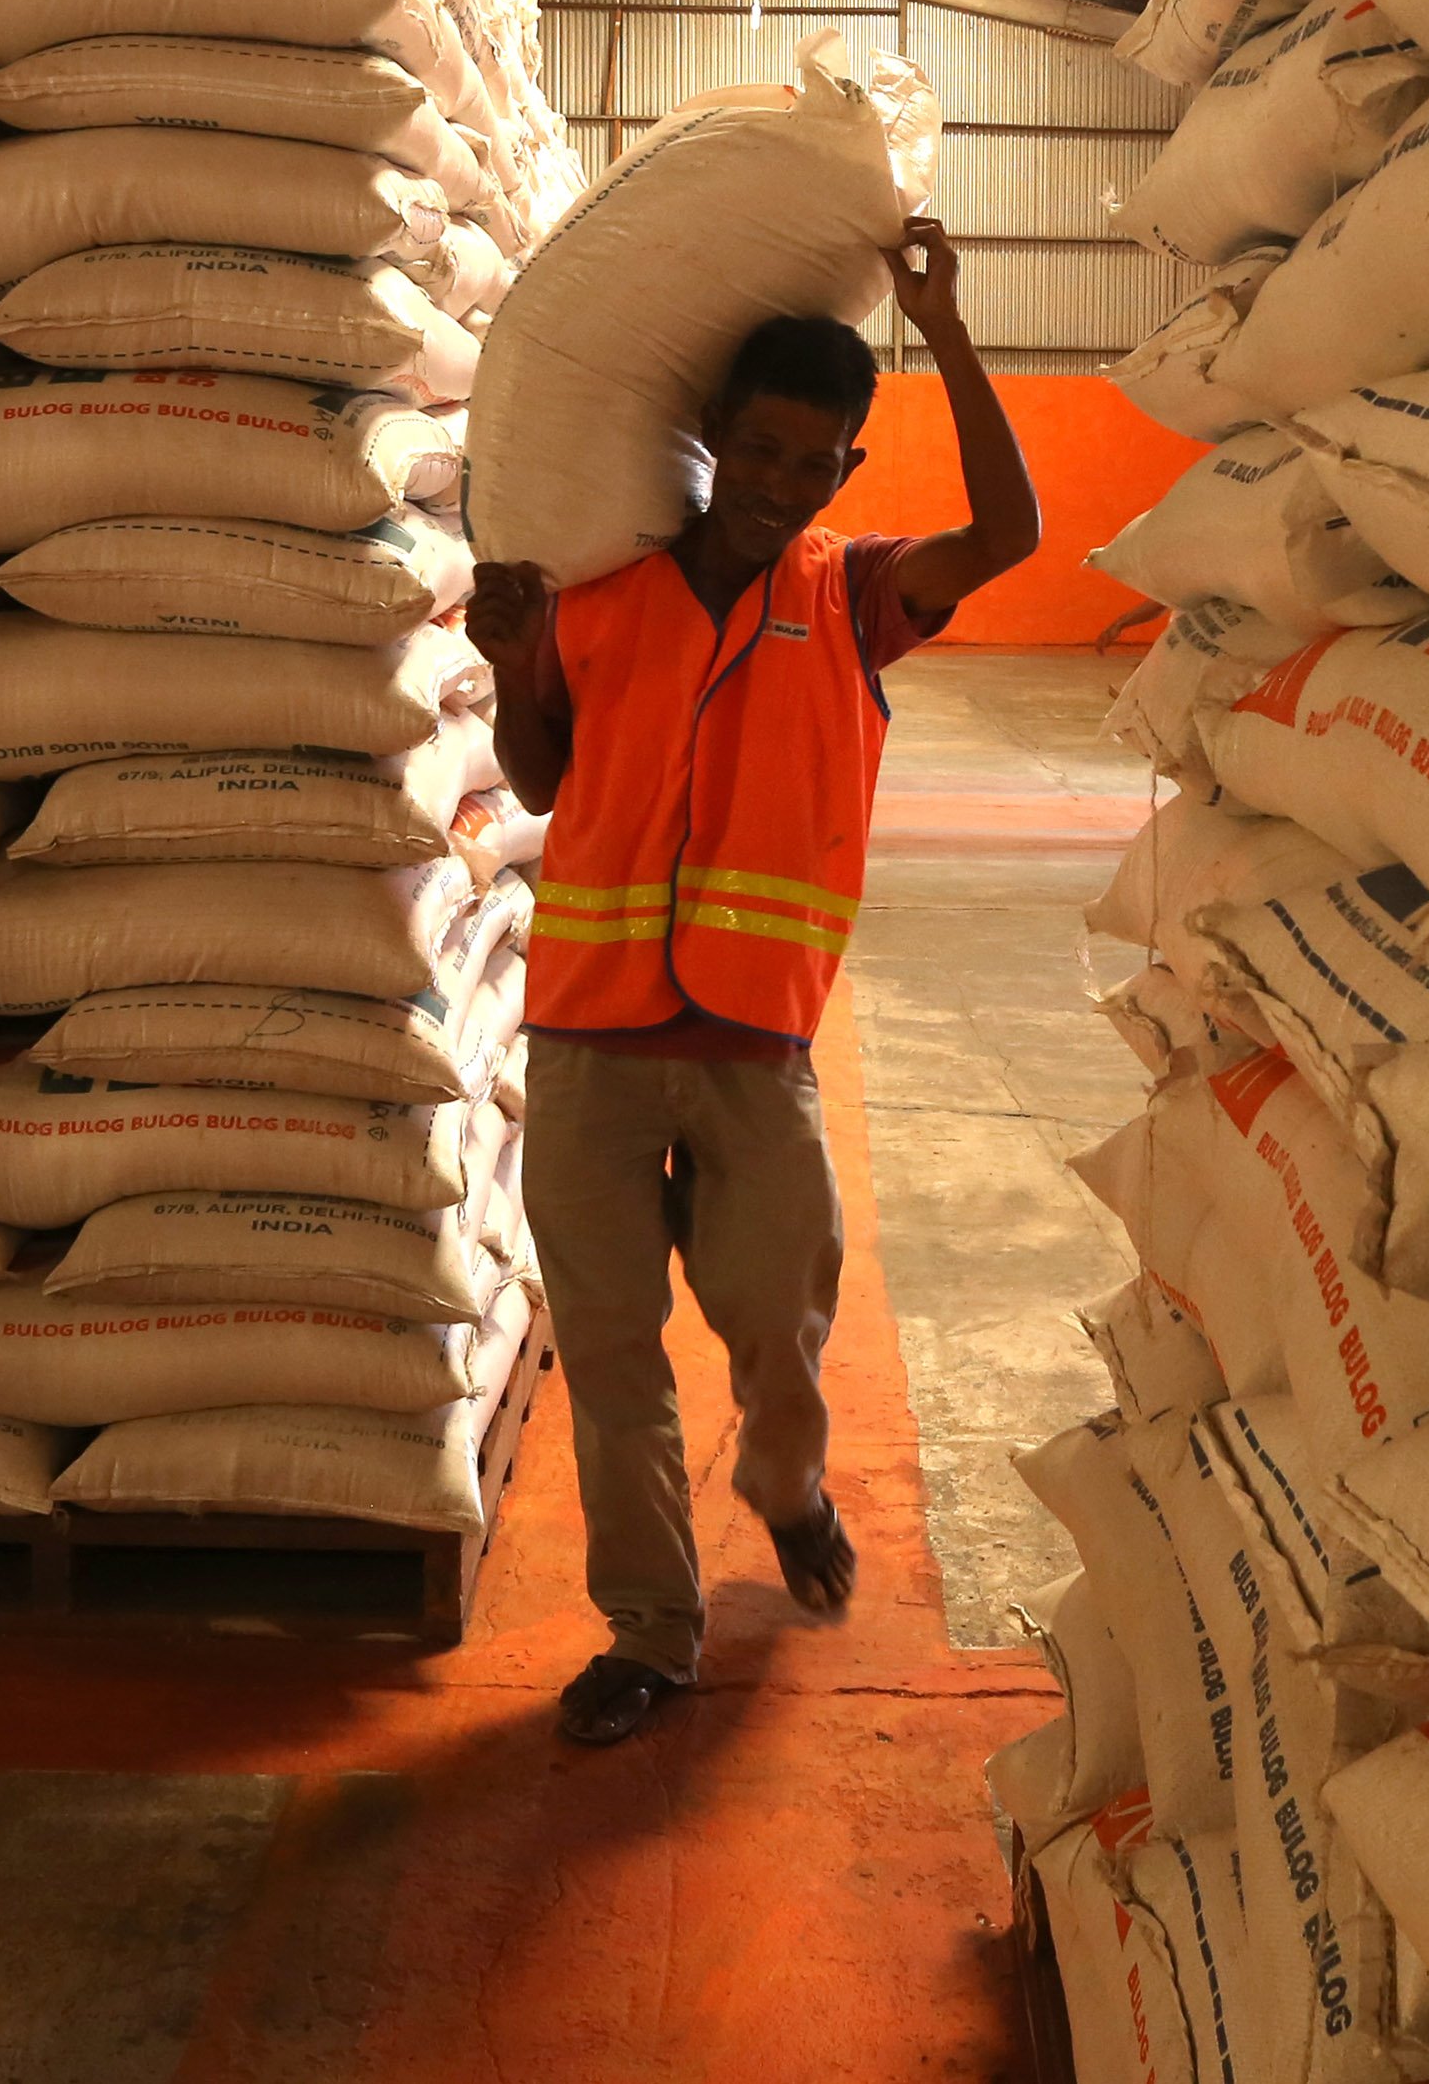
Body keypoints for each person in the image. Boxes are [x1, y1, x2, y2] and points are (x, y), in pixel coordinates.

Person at [467, 216, 1040, 1748]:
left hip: (751, 1044)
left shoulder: (855, 598)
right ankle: (651, 1632)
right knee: (607, 1348)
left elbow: (1010, 535)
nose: (786, 481)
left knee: (780, 1321)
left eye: (817, 462)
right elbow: (538, 780)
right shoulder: (602, 595)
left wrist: (950, 329)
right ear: (713, 439)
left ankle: (786, 1488)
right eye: (765, 449)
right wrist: (521, 664)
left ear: (847, 472)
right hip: (586, 1032)